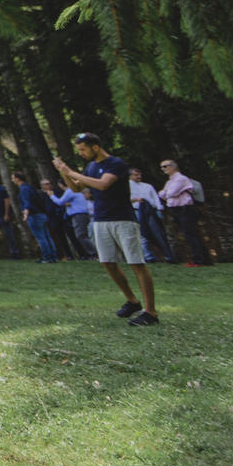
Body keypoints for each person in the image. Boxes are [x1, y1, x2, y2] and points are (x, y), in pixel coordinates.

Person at [54, 132, 158, 326]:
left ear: (95, 147)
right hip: (101, 220)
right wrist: (64, 172)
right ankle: (132, 301)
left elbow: (103, 185)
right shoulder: (91, 167)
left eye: (83, 149)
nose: (81, 153)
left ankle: (150, 312)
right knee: (107, 262)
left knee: (136, 263)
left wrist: (71, 172)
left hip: (123, 220)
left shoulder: (116, 164)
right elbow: (77, 188)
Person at [158, 160, 213, 266]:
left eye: (165, 166)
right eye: (161, 167)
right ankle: (204, 259)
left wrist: (166, 193)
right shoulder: (170, 182)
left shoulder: (181, 179)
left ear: (173, 167)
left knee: (191, 234)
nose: (163, 169)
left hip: (185, 209)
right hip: (176, 210)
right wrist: (165, 193)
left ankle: (199, 260)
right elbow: (162, 195)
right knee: (190, 234)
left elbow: (171, 193)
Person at [129, 168, 174, 264]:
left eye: (140, 174)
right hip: (137, 211)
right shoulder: (127, 187)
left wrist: (159, 209)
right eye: (136, 175)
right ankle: (148, 256)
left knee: (159, 233)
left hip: (152, 211)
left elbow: (155, 198)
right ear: (130, 176)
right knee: (143, 233)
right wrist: (136, 200)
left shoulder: (147, 186)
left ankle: (168, 255)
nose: (139, 176)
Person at [12, 172, 57, 263]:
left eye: (13, 178)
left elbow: (27, 201)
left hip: (34, 215)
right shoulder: (29, 187)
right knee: (47, 236)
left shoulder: (23, 189)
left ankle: (47, 257)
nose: (12, 180)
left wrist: (26, 212)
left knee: (41, 237)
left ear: (17, 178)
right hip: (41, 214)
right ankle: (53, 257)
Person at [50, 179, 97, 259]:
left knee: (81, 235)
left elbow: (60, 202)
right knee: (83, 235)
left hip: (79, 215)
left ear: (61, 185)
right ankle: (92, 253)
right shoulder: (75, 190)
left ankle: (94, 253)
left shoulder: (70, 191)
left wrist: (51, 196)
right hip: (81, 215)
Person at [41, 179, 75, 260]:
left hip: (62, 216)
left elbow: (62, 201)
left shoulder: (57, 192)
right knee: (60, 237)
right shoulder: (41, 195)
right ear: (42, 186)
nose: (49, 185)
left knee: (71, 235)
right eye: (46, 184)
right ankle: (67, 255)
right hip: (52, 218)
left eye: (49, 183)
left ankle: (81, 254)